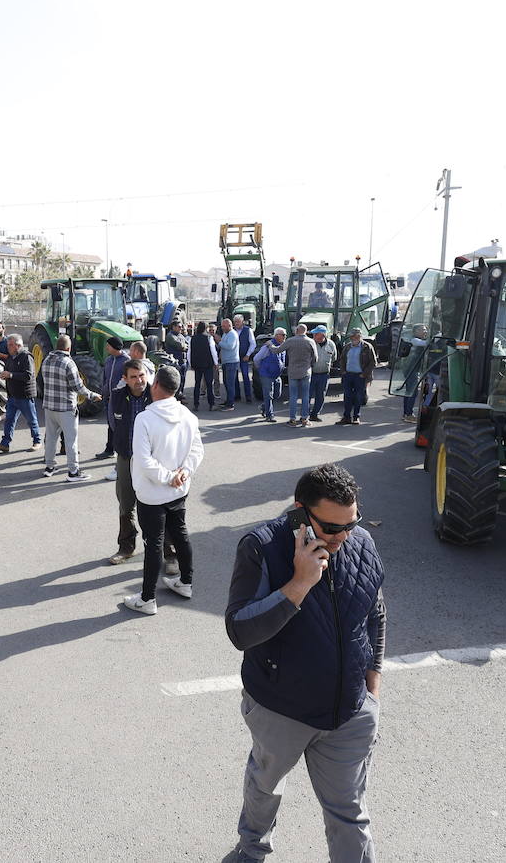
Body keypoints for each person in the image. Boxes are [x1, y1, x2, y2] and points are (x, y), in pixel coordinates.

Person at [225, 464, 386, 861]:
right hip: (280, 710)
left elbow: (375, 613)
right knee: (265, 786)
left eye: (351, 523)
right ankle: (252, 848)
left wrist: (372, 687)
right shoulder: (260, 547)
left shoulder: (359, 542)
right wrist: (298, 584)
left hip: (349, 713)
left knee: (349, 811)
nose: (342, 537)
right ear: (300, 511)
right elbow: (239, 631)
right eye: (331, 528)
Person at [124, 365, 203, 615]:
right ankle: (186, 582)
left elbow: (144, 460)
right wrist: (184, 473)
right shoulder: (189, 416)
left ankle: (147, 598)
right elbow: (197, 450)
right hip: (179, 490)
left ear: (155, 385)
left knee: (154, 544)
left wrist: (169, 478)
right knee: (180, 533)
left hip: (152, 494)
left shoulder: (145, 419)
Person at [108, 359, 154, 564]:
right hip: (126, 458)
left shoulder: (156, 396)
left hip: (152, 461)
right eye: (133, 377)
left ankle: (168, 553)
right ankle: (126, 547)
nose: (139, 380)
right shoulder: (117, 397)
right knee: (126, 505)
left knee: (158, 505)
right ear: (125, 379)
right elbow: (113, 422)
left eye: (141, 375)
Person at [39, 335, 101, 481]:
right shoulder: (68, 363)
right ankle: (73, 472)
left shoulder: (46, 360)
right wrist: (93, 395)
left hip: (49, 407)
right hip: (66, 408)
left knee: (51, 438)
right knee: (71, 441)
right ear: (69, 348)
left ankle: (49, 467)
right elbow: (78, 387)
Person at [0, 335, 41, 452]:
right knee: (9, 420)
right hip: (13, 396)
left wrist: (11, 375)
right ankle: (5, 443)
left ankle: (37, 441)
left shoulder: (26, 357)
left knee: (31, 420)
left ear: (18, 345)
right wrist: (4, 375)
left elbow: (28, 375)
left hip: (25, 396)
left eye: (10, 345)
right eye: (8, 345)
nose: (8, 347)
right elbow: (9, 373)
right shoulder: (11, 358)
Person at [269, 323, 319, 428]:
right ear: (306, 331)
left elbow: (277, 350)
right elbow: (315, 358)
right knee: (305, 396)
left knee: (293, 396)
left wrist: (270, 345)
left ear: (296, 330)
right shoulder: (311, 341)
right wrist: (310, 365)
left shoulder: (290, 341)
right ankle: (305, 418)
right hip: (306, 372)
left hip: (293, 372)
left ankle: (292, 419)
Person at [96, 337, 129, 459]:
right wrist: (104, 392)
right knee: (110, 424)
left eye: (108, 345)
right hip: (109, 398)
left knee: (119, 425)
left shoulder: (126, 361)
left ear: (115, 347)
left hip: (121, 399)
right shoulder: (108, 360)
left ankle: (121, 451)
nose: (106, 348)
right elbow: (105, 379)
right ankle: (109, 449)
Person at [338, 329, 377, 426]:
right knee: (347, 397)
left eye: (354, 336)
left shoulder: (367, 347)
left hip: (360, 376)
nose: (353, 338)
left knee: (358, 397)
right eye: (351, 337)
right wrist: (343, 371)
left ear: (359, 336)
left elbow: (373, 362)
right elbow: (342, 359)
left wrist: (364, 374)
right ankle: (346, 417)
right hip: (348, 375)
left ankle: (356, 417)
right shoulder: (347, 347)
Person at [398, 324, 430, 423]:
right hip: (411, 370)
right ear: (415, 331)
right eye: (422, 330)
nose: (425, 332)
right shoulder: (414, 340)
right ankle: (409, 414)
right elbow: (427, 343)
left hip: (412, 369)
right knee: (412, 392)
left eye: (425, 330)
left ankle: (406, 413)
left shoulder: (415, 340)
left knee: (409, 392)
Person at [253, 328, 286, 422]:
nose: (285, 337)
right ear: (277, 336)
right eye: (283, 335)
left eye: (285, 335)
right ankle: (269, 415)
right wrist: (262, 369)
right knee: (268, 395)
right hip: (266, 374)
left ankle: (263, 407)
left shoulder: (282, 346)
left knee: (277, 394)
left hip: (276, 375)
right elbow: (256, 359)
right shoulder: (267, 347)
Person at [307, 325, 338, 423]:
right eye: (314, 334)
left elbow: (334, 357)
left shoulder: (331, 344)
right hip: (311, 374)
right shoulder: (310, 343)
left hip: (324, 375)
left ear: (323, 335)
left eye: (316, 334)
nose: (314, 335)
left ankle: (315, 414)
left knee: (320, 395)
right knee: (307, 395)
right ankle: (305, 415)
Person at [189, 321, 219, 412]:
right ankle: (211, 404)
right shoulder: (209, 338)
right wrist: (216, 363)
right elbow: (213, 351)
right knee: (209, 384)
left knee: (197, 384)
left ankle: (196, 404)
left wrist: (191, 364)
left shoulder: (192, 338)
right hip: (207, 364)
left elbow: (189, 353)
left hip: (197, 364)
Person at [218, 318, 241, 411]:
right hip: (226, 362)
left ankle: (230, 404)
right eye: (222, 326)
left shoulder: (232, 334)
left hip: (231, 362)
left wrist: (219, 341)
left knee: (230, 383)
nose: (222, 328)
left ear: (229, 325)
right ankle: (228, 400)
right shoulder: (226, 333)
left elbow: (230, 346)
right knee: (226, 382)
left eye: (224, 326)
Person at [234, 315, 256, 403]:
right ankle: (237, 395)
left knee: (245, 376)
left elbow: (253, 344)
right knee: (234, 377)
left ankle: (248, 396)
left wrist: (248, 355)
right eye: (235, 322)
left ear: (242, 322)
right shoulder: (232, 331)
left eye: (238, 322)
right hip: (234, 357)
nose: (236, 324)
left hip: (244, 357)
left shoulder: (248, 330)